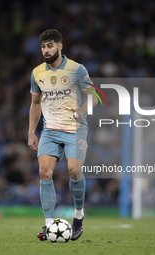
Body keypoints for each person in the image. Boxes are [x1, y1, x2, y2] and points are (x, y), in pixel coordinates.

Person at [28, 29, 97, 241]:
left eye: (50, 46)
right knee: (44, 172)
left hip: (75, 128)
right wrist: (31, 131)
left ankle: (78, 215)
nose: (46, 50)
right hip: (50, 130)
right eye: (43, 46)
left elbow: (93, 97)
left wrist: (82, 111)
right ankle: (49, 225)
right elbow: (35, 104)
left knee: (74, 170)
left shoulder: (77, 69)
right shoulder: (37, 73)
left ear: (60, 46)